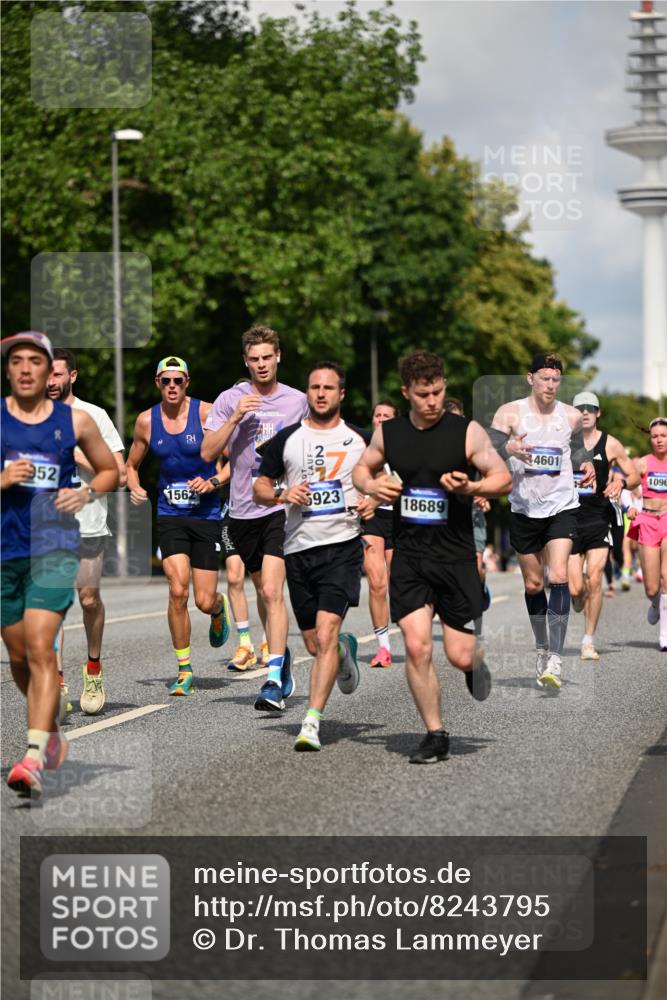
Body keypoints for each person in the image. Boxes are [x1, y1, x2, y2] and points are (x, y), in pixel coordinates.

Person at [353, 350, 512, 764]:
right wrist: (372, 486)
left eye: (439, 391)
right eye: (424, 394)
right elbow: (360, 469)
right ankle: (435, 733)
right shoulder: (391, 434)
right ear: (407, 392)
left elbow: (502, 478)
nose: (433, 401)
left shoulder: (467, 432)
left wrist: (470, 489)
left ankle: (475, 665)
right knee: (419, 647)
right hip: (410, 557)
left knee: (459, 654)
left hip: (456, 557)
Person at [1, 331, 118, 798]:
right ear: (9, 370)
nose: (28, 369)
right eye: (18, 362)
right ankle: (49, 726)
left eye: (37, 361)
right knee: (17, 655)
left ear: (52, 369)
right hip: (6, 550)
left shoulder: (77, 421)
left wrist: (86, 491)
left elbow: (111, 469)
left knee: (40, 645)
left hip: (55, 546)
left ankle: (33, 754)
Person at [254, 361, 375, 749]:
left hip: (342, 547)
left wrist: (373, 497)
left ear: (342, 394)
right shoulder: (286, 440)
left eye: (328, 387)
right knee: (314, 643)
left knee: (324, 633)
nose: (321, 393)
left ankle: (311, 721)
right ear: (308, 392)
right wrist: (280, 494)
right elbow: (258, 486)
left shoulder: (361, 438)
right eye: (314, 387)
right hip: (299, 549)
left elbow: (388, 476)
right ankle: (343, 651)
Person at [202, 325, 309, 712]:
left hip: (282, 507)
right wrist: (234, 420)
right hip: (243, 510)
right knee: (262, 589)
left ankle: (274, 676)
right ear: (246, 361)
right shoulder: (230, 399)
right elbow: (206, 450)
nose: (262, 365)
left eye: (268, 357)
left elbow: (318, 443)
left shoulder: (297, 401)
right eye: (255, 359)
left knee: (270, 592)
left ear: (278, 357)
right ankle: (282, 653)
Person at [490, 353, 595, 691]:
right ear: (530, 378)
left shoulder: (571, 416)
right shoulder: (509, 413)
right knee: (534, 586)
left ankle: (556, 658)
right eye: (544, 378)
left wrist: (587, 464)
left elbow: (577, 450)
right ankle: (542, 647)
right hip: (523, 508)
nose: (550, 385)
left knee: (559, 575)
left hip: (562, 505)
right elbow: (487, 450)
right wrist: (508, 447)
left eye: (556, 379)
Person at [126, 356, 230, 696]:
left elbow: (235, 460)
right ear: (158, 383)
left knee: (201, 600)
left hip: (206, 516)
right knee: (177, 590)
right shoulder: (145, 422)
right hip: (170, 514)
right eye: (166, 381)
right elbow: (131, 464)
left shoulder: (207, 414)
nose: (172, 386)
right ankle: (184, 669)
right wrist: (135, 485)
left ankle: (218, 608)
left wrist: (214, 481)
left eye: (178, 381)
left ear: (188, 383)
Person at [46, 347, 127, 717]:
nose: (50, 381)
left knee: (89, 600)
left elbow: (120, 475)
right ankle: (56, 682)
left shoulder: (94, 416)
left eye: (57, 374)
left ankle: (93, 669)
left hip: (89, 524)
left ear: (72, 376)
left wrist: (75, 452)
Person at [566, 392, 638, 660]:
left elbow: (634, 475)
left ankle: (588, 641)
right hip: (569, 519)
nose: (584, 412)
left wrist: (620, 482)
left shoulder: (611, 445)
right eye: (579, 409)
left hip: (599, 518)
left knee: (595, 579)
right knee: (576, 589)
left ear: (598, 413)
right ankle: (577, 598)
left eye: (590, 408)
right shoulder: (563, 443)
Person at [444, 397, 492, 614]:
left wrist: (483, 493)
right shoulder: (433, 445)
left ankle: (479, 588)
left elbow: (492, 475)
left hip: (473, 514)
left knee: (475, 568)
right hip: (444, 515)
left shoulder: (475, 445)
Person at [361, 399, 398, 668]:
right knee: (377, 582)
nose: (381, 419)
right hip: (371, 519)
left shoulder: (404, 448)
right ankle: (383, 647)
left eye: (387, 416)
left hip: (399, 517)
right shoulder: (361, 449)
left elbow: (398, 480)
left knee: (399, 582)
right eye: (378, 415)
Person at [627, 417, 667, 650]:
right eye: (655, 436)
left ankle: (664, 637)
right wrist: (632, 505)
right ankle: (655, 604)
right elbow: (631, 490)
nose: (659, 440)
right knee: (652, 587)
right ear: (650, 438)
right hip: (648, 520)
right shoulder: (642, 463)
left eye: (663, 435)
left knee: (666, 577)